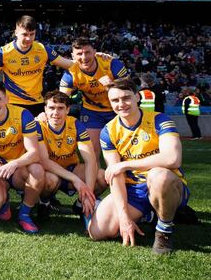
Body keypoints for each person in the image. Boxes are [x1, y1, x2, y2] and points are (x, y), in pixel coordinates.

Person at [89, 79, 191, 255]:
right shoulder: (108, 131)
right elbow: (115, 175)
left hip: (165, 183)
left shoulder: (160, 120)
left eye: (126, 98)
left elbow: (173, 158)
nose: (121, 104)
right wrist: (124, 217)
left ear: (137, 97)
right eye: (115, 100)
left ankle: (163, 232)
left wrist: (125, 164)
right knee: (98, 232)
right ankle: (151, 214)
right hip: (134, 188)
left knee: (158, 176)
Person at [0, 81, 45, 234]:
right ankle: (4, 200)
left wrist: (14, 164)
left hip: (19, 169)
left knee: (37, 170)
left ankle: (24, 214)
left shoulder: (22, 114)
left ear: (6, 99)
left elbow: (34, 153)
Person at [36, 91, 105, 223]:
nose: (55, 113)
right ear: (45, 109)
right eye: (51, 108)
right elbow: (44, 161)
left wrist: (88, 193)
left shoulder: (76, 125)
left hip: (70, 168)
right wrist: (75, 180)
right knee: (50, 179)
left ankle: (80, 204)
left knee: (101, 176)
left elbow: (90, 160)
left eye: (60, 108)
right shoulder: (39, 125)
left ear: (67, 110)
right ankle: (44, 202)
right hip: (50, 172)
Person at [0, 15, 73, 116]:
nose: (28, 38)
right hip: (12, 103)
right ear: (16, 33)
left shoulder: (42, 49)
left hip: (37, 103)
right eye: (25, 34)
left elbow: (68, 64)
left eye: (32, 34)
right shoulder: (3, 53)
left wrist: (91, 58)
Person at [60, 38, 129, 157]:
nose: (84, 57)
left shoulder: (112, 64)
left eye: (87, 52)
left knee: (125, 150)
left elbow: (129, 90)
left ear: (95, 52)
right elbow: (61, 99)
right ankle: (95, 175)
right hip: (92, 111)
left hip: (117, 110)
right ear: (73, 56)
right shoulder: (70, 73)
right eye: (79, 54)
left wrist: (112, 86)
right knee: (92, 151)